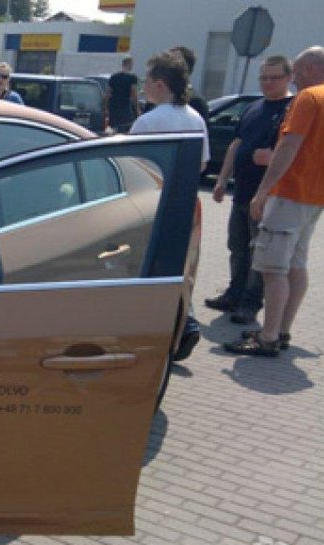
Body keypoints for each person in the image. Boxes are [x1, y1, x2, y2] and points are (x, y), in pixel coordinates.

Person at [225, 46, 324, 357]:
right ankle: (282, 330)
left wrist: (263, 191)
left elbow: (289, 146)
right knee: (296, 264)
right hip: (315, 198)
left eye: (296, 72)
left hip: (289, 194)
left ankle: (268, 337)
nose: (294, 79)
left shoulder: (309, 98)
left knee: (273, 268)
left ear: (310, 69)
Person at [131, 50, 210, 362]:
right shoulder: (195, 118)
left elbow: (131, 166)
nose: (143, 87)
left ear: (160, 84)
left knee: (149, 271)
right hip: (186, 206)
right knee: (179, 270)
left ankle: (159, 332)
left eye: (146, 80)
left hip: (151, 206)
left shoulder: (148, 121)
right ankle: (184, 325)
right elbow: (202, 164)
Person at [206, 56, 294, 325]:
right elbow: (236, 144)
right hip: (242, 192)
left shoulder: (292, 109)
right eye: (264, 77)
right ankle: (234, 294)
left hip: (268, 196)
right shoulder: (254, 107)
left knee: (259, 252)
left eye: (274, 77)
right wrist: (222, 179)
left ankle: (250, 303)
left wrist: (271, 158)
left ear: (289, 78)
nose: (268, 83)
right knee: (237, 246)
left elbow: (295, 152)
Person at [106, 57, 141, 132]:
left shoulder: (114, 77)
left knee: (114, 128)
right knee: (126, 127)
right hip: (125, 107)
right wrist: (137, 109)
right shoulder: (132, 78)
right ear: (130, 65)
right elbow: (134, 94)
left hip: (114, 107)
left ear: (122, 64)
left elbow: (108, 93)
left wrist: (105, 106)